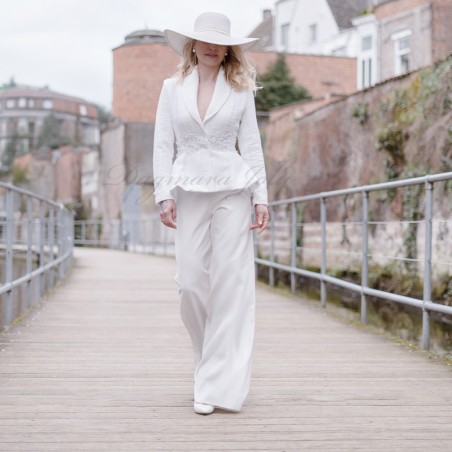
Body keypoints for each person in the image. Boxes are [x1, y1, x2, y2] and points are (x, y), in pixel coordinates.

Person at [153, 11, 269, 415]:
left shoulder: (240, 90)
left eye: (219, 41)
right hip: (187, 191)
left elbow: (251, 146)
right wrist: (162, 193)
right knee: (189, 282)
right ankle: (208, 363)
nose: (211, 46)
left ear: (228, 49)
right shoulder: (172, 88)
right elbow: (162, 145)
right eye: (204, 40)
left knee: (231, 285)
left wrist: (261, 197)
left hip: (233, 192)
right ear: (192, 44)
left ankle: (216, 382)